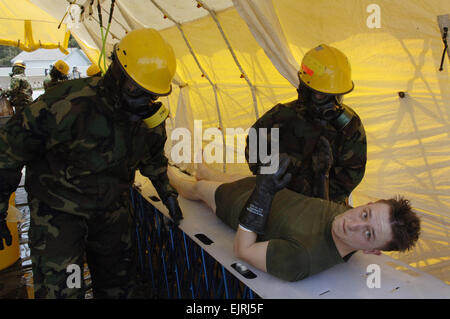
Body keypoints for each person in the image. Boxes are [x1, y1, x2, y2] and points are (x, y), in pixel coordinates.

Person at [0, 28, 183, 298]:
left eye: (150, 95)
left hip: (111, 212)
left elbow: (153, 157)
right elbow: (9, 150)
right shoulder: (67, 104)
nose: (142, 101)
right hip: (60, 214)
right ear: (117, 73)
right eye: (136, 90)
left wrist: (167, 192)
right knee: (65, 291)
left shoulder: (147, 117)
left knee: (118, 288)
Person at [167, 155, 421, 282]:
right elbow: (319, 212)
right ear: (367, 204)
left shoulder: (302, 259)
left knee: (196, 188)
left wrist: (262, 197)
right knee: (211, 172)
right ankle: (203, 172)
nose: (352, 223)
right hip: (262, 188)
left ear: (375, 252)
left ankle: (166, 171)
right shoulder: (344, 217)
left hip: (239, 203)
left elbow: (243, 250)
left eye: (368, 234)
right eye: (365, 214)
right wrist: (322, 177)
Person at [245, 44, 367, 204]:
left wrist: (321, 182)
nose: (330, 102)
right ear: (305, 88)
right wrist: (272, 176)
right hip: (279, 198)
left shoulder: (349, 127)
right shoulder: (282, 115)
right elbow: (253, 146)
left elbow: (352, 173)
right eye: (320, 94)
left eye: (335, 95)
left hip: (323, 207)